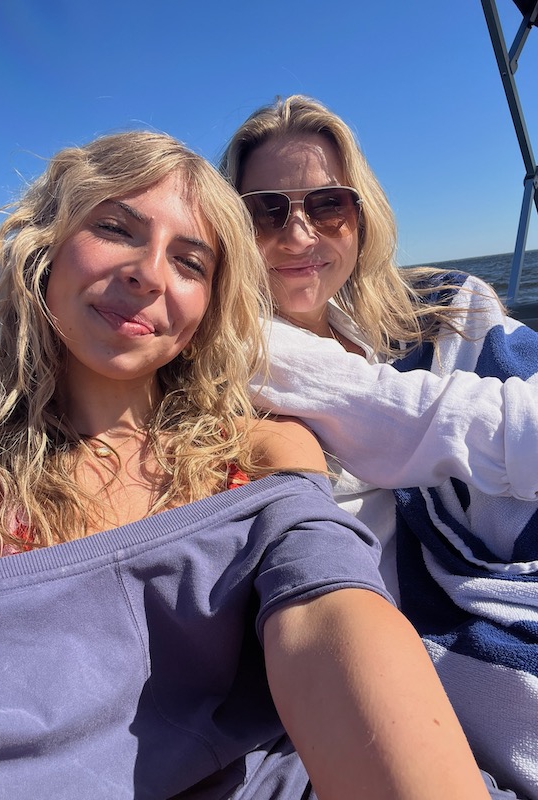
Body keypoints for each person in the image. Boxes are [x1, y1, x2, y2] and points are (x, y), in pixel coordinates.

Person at [0, 131, 490, 799]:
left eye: (190, 262)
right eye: (116, 229)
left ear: (207, 311)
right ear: (45, 250)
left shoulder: (257, 453)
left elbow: (327, 611)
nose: (149, 271)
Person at [221, 93, 538, 800]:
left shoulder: (437, 317)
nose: (299, 235)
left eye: (327, 206)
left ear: (361, 215)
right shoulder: (222, 373)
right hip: (375, 660)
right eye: (266, 212)